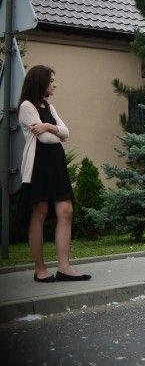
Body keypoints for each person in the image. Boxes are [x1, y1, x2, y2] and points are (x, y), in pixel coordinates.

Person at [18, 65, 91, 283]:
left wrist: (48, 125)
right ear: (40, 81)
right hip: (38, 165)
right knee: (39, 213)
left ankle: (64, 267)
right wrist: (54, 131)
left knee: (66, 211)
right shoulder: (26, 106)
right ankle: (40, 270)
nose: (55, 84)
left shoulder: (49, 107)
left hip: (56, 164)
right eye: (51, 80)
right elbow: (45, 140)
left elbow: (65, 133)